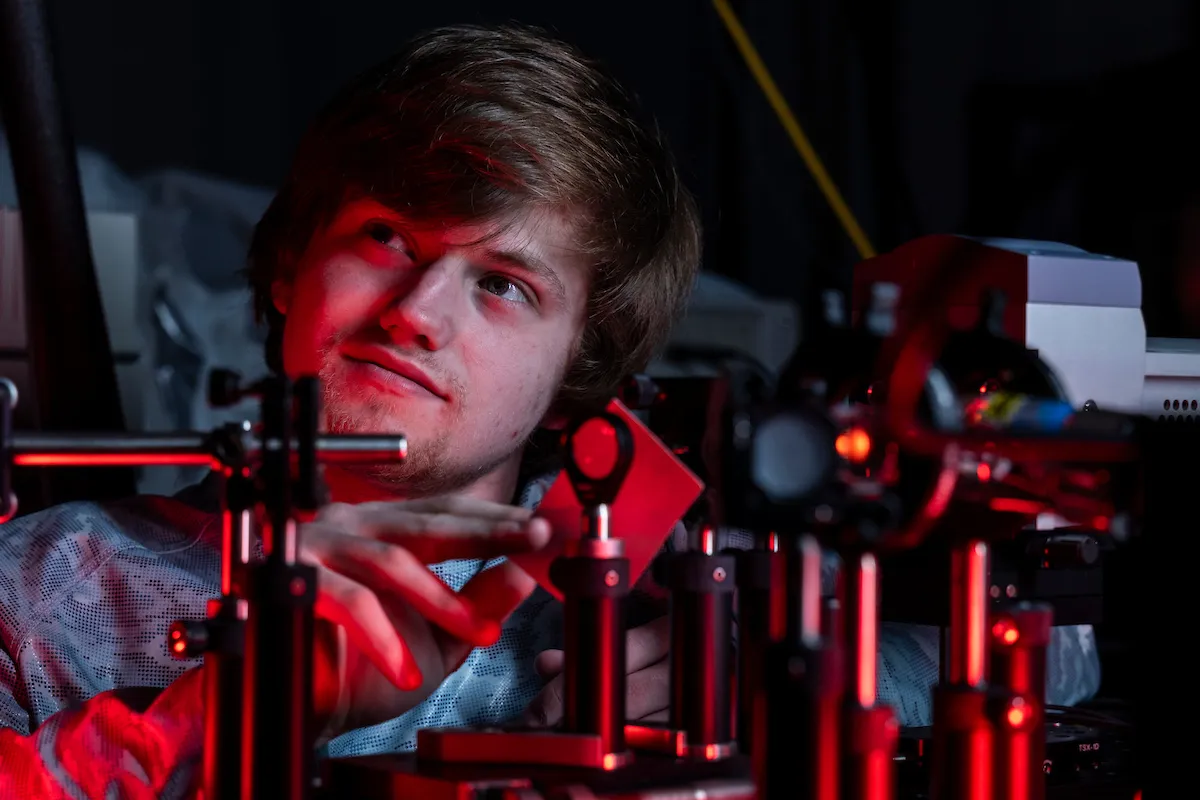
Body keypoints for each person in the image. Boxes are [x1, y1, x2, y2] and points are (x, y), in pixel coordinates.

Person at [0, 21, 1101, 800]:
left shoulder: (648, 592)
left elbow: (1071, 651)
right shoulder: (45, 588)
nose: (418, 312)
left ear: (585, 361)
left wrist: (788, 674)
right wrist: (220, 714)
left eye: (504, 284)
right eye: (387, 235)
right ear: (290, 264)